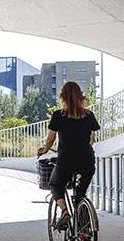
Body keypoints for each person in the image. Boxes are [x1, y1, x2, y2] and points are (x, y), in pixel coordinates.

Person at [37, 81, 100, 229]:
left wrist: (44, 150)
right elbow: (92, 139)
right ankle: (84, 234)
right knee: (80, 195)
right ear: (80, 96)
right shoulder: (89, 115)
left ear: (63, 97)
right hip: (87, 161)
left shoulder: (58, 115)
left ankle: (65, 211)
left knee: (55, 184)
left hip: (66, 161)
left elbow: (51, 139)